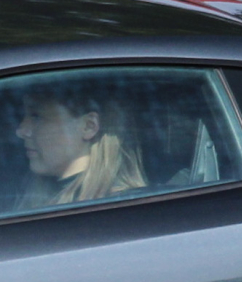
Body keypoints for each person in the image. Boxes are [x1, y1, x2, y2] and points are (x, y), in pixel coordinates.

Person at [15, 81, 145, 208]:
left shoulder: (119, 207)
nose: (21, 131)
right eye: (23, 116)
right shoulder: (26, 195)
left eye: (36, 116)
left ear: (89, 126)